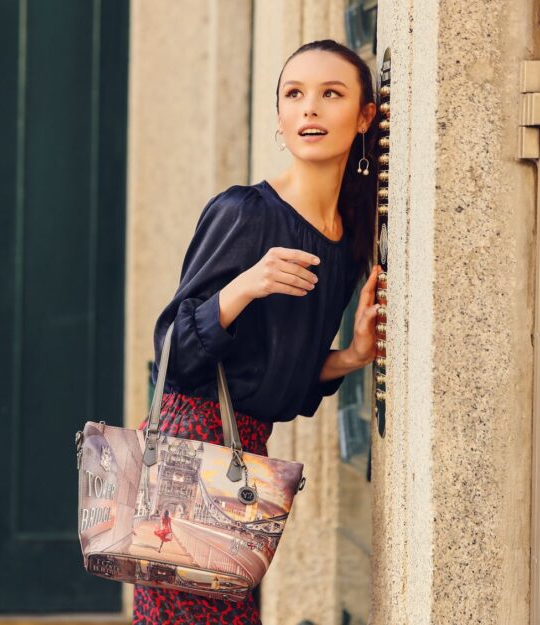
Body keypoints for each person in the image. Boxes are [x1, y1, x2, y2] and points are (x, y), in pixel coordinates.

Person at [133, 39, 381, 625]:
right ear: (279, 117)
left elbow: (280, 381)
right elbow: (172, 348)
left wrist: (351, 356)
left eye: (331, 94)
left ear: (366, 115)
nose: (309, 109)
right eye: (294, 94)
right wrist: (245, 285)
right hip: (190, 455)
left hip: (247, 459)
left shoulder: (346, 242)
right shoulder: (246, 212)